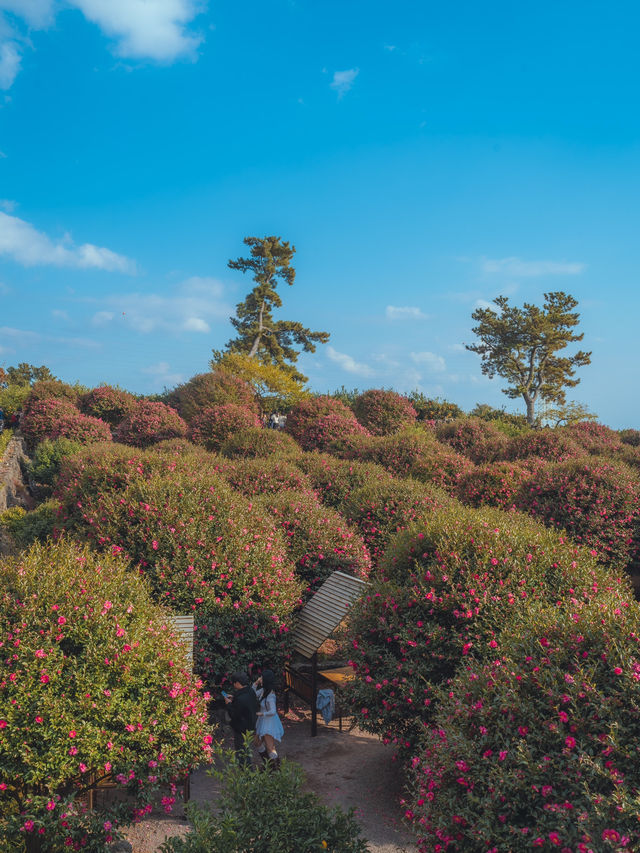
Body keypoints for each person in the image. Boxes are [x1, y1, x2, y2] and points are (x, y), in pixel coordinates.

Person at [224, 671, 259, 768]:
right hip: (250, 725)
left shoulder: (240, 699)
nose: (234, 685)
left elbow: (234, 714)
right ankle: (247, 771)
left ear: (238, 683)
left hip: (241, 728)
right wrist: (233, 697)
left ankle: (247, 774)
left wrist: (229, 704)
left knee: (242, 752)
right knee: (246, 749)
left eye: (234, 683)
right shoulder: (250, 691)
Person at [253, 669, 284, 770]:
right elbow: (252, 695)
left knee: (270, 747)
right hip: (263, 721)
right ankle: (269, 764)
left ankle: (276, 768)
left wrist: (261, 713)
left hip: (268, 722)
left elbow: (273, 711)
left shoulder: (270, 695)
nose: (260, 679)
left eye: (261, 678)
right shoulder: (263, 691)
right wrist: (255, 683)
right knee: (257, 742)